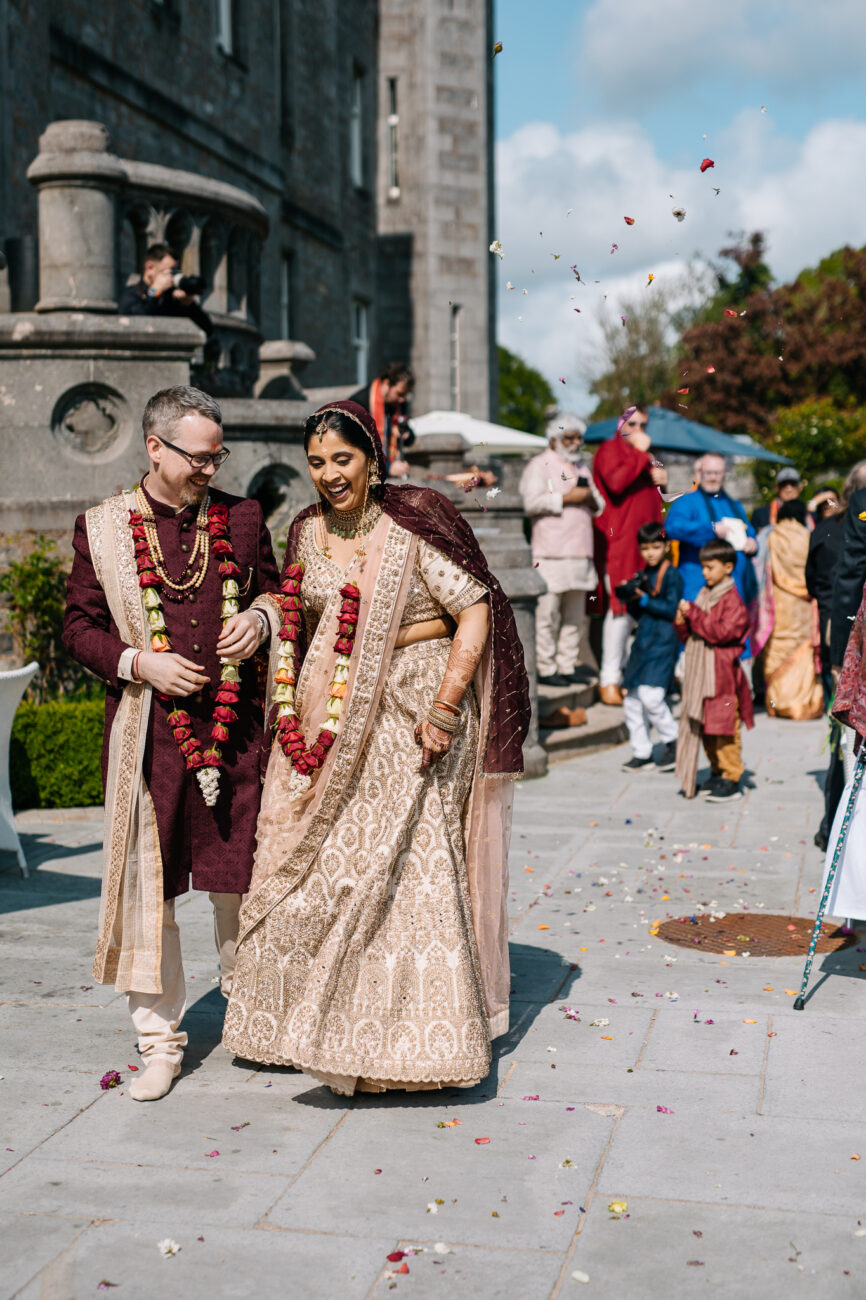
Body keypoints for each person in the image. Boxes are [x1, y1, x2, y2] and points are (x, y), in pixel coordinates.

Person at [222, 400, 530, 1096]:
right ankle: (293, 1026)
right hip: (327, 714)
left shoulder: (410, 519)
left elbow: (475, 606)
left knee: (400, 869)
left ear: (371, 459)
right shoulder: (305, 532)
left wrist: (446, 708)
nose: (330, 474)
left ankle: (408, 1048)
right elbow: (297, 605)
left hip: (415, 716)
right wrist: (263, 615)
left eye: (343, 459)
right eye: (318, 462)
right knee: (310, 866)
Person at [63, 386, 280, 1101]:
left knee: (238, 884)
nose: (211, 469)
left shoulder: (243, 519)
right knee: (149, 899)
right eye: (199, 456)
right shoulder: (101, 528)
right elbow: (78, 628)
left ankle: (253, 1018)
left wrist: (259, 618)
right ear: (154, 447)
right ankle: (159, 1045)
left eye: (219, 456)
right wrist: (139, 663)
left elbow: (281, 591)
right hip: (149, 740)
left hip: (237, 733)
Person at [519, 413, 602, 686]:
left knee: (574, 617)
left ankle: (566, 665)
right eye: (570, 437)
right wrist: (566, 499)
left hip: (580, 550)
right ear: (554, 439)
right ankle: (546, 666)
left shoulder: (581, 467)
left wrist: (587, 498)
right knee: (547, 614)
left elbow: (599, 505)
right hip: (550, 551)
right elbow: (530, 502)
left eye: (579, 437)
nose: (576, 442)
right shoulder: (539, 465)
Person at [593, 405, 666, 705]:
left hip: (647, 543)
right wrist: (641, 454)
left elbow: (655, 496)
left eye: (643, 424)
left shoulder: (645, 453)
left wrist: (663, 479)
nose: (639, 430)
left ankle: (626, 673)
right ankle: (608, 679)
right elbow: (616, 482)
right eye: (633, 423)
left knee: (642, 609)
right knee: (621, 609)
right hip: (621, 542)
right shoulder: (610, 449)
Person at [674, 538, 754, 802]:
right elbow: (692, 638)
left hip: (723, 678)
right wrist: (682, 622)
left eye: (710, 567)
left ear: (728, 567)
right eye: (703, 567)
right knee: (707, 728)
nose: (704, 573)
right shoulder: (705, 594)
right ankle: (718, 772)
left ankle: (732, 777)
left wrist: (694, 614)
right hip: (702, 677)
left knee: (724, 729)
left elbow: (720, 632)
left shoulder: (733, 601)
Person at [618, 522, 683, 773]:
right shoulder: (644, 573)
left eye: (656, 546)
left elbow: (669, 609)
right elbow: (638, 612)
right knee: (632, 699)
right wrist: (631, 595)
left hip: (663, 642)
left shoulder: (672, 575)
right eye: (645, 548)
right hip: (643, 640)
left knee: (651, 697)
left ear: (666, 546)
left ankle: (673, 740)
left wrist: (644, 597)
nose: (651, 553)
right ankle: (642, 752)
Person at [752, 499, 823, 720]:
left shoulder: (770, 536)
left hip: (779, 604)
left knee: (778, 650)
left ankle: (777, 705)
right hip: (803, 605)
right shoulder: (808, 536)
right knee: (802, 651)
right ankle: (802, 704)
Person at [664, 453, 758, 609]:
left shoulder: (734, 505)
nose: (713, 478)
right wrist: (711, 529)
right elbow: (672, 528)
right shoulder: (686, 502)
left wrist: (752, 542)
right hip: (698, 585)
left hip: (734, 589)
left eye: (717, 473)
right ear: (700, 473)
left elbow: (749, 530)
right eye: (708, 473)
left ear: (724, 473)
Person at [118, 242, 218, 361]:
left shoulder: (172, 299)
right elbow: (133, 321)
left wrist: (189, 304)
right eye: (168, 272)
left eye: (175, 272)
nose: (171, 278)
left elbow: (207, 329)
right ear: (149, 268)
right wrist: (154, 292)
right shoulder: (132, 293)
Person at [350, 361, 415, 477]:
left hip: (393, 472)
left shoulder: (398, 405)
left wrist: (407, 434)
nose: (402, 400)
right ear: (386, 383)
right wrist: (388, 467)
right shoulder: (359, 404)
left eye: (404, 396)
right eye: (399, 394)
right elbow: (357, 448)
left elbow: (408, 436)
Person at [751, 466, 803, 531]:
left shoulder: (809, 515)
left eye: (793, 484)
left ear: (800, 487)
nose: (789, 489)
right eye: (783, 485)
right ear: (776, 488)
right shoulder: (761, 514)